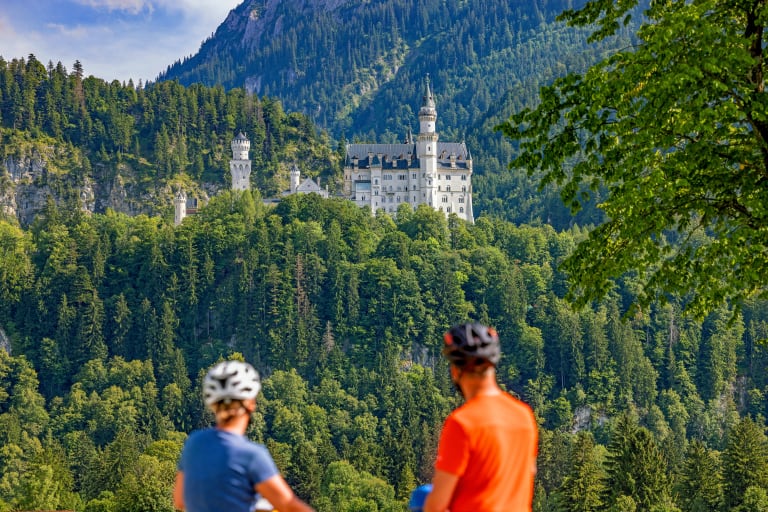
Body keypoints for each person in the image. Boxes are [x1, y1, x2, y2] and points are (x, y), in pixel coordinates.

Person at [424, 323, 538, 512]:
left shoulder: (462, 423)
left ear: (455, 371)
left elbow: (436, 506)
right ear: (492, 366)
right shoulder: (524, 415)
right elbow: (529, 473)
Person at [173, 360, 314, 512]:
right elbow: (288, 505)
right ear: (251, 403)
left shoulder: (194, 443)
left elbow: (180, 499)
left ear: (212, 404)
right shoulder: (251, 455)